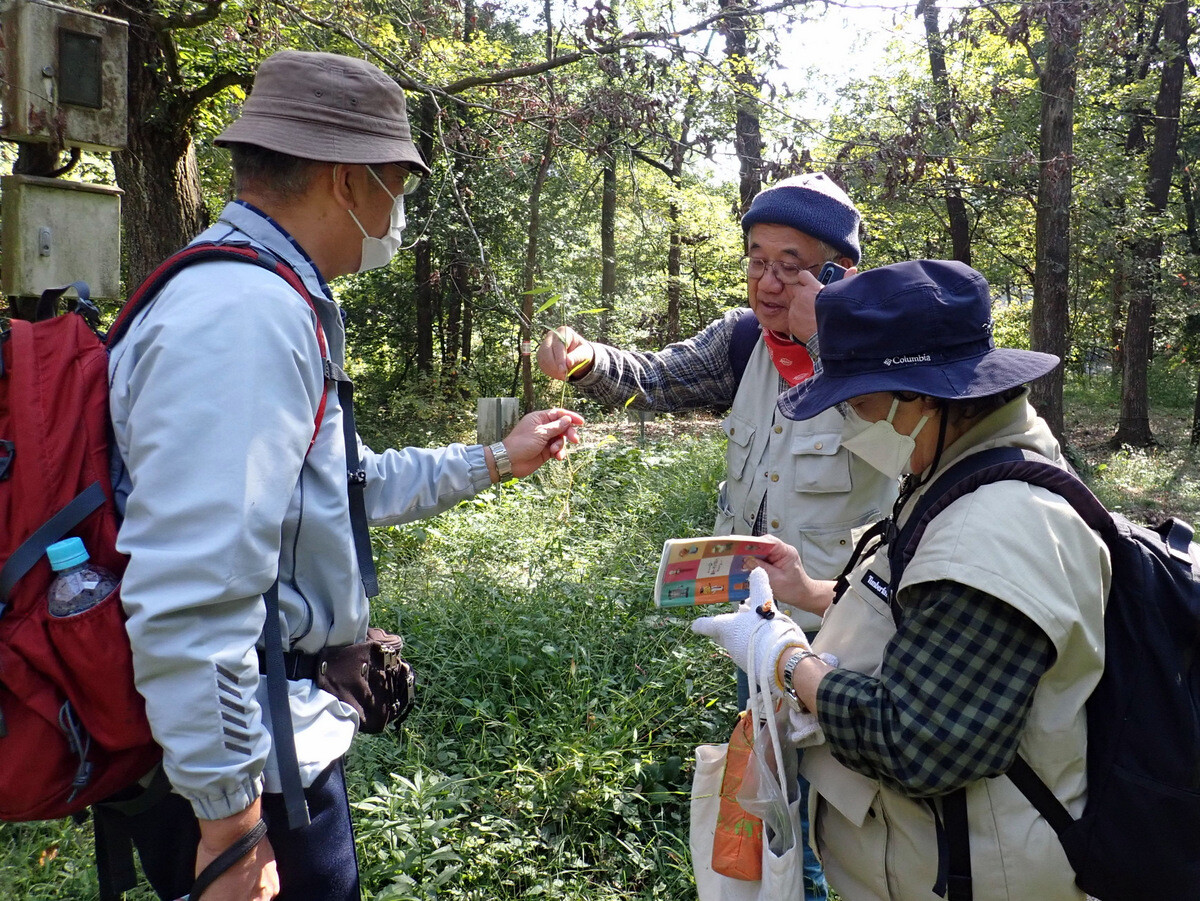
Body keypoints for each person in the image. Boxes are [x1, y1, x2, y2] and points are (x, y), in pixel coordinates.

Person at [105, 50, 583, 901]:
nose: (398, 210)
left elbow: (335, 488)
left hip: (277, 745)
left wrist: (494, 459)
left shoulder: (266, 293)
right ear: (347, 180)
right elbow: (192, 590)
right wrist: (230, 827)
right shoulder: (245, 317)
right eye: (397, 183)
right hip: (250, 774)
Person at [692, 260, 1110, 900]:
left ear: (921, 396)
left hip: (974, 876)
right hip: (931, 860)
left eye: (857, 404)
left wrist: (785, 662)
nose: (849, 423)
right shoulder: (966, 464)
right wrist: (809, 592)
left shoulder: (993, 531)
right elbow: (929, 615)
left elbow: (918, 742)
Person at [539, 173, 896, 900]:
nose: (768, 283)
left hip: (848, 640)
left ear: (837, 274)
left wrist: (828, 335)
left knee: (853, 827)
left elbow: (905, 444)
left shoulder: (881, 359)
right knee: (776, 815)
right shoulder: (741, 341)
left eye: (791, 265)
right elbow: (655, 377)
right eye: (757, 260)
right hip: (757, 631)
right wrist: (585, 358)